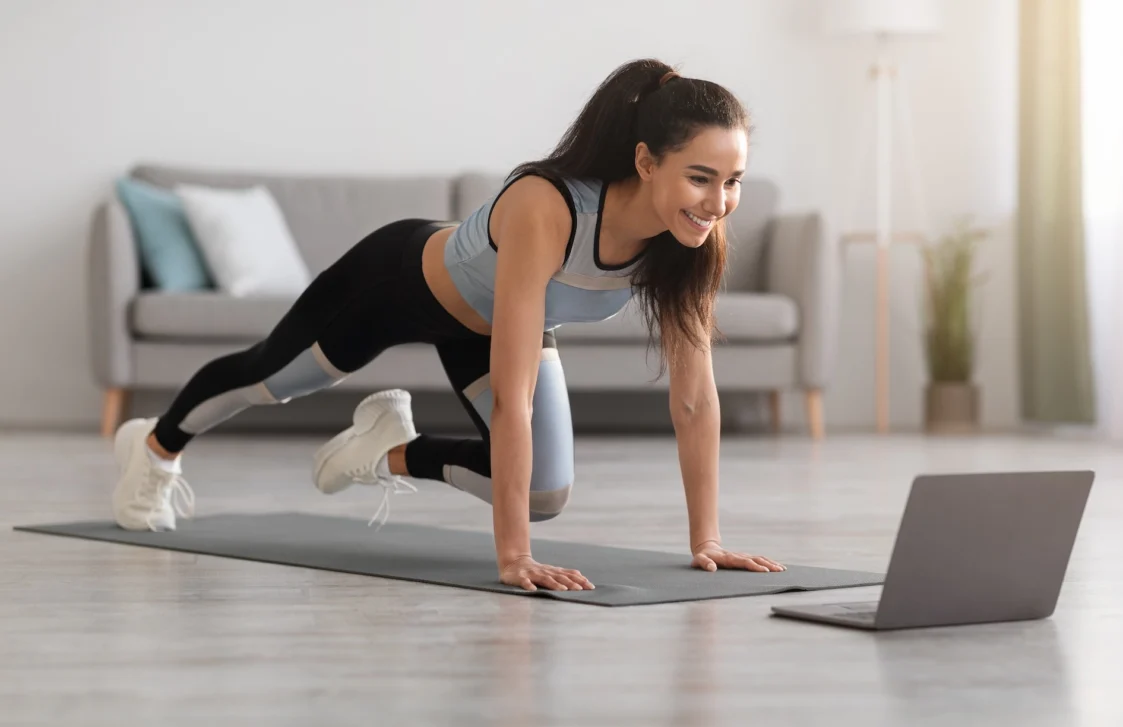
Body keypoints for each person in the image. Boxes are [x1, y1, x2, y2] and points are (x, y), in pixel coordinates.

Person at [109, 58, 786, 593]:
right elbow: (515, 397)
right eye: (702, 178)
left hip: (494, 327)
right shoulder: (547, 207)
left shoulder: (692, 244)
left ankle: (384, 448)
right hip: (398, 284)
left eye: (734, 181)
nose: (719, 202)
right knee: (271, 379)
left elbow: (695, 397)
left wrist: (708, 539)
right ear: (646, 161)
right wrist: (515, 555)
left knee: (546, 491)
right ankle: (154, 450)